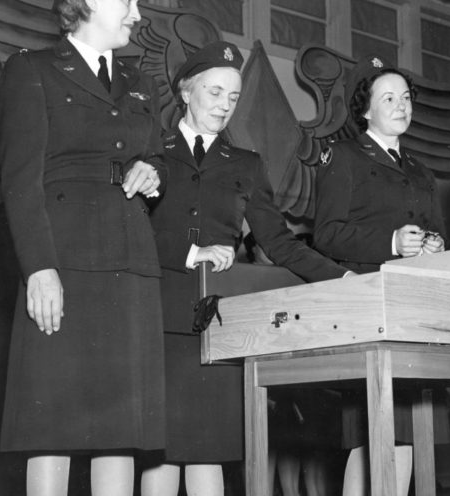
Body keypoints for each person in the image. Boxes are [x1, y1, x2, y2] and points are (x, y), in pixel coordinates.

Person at [141, 40, 350, 496]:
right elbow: (129, 228)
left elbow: (279, 243)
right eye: (214, 93)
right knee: (159, 455)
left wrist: (343, 279)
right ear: (185, 90)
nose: (224, 106)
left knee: (208, 449)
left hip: (215, 322)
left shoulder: (247, 165)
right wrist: (187, 253)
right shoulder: (152, 148)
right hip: (153, 314)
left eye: (233, 98)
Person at [0, 0, 166, 496]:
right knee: (54, 423)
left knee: (121, 431)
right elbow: (20, 181)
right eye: (128, 0)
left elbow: (156, 150)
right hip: (64, 264)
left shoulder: (142, 82)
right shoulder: (31, 70)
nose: (138, 16)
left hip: (130, 264)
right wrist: (39, 268)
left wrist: (149, 168)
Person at [314, 55, 447, 496]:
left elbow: (438, 234)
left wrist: (435, 247)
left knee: (408, 429)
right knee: (368, 435)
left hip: (415, 308)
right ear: (365, 110)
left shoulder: (422, 171)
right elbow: (326, 235)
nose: (401, 105)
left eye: (406, 97)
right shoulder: (346, 157)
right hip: (369, 309)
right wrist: (390, 243)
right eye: (388, 97)